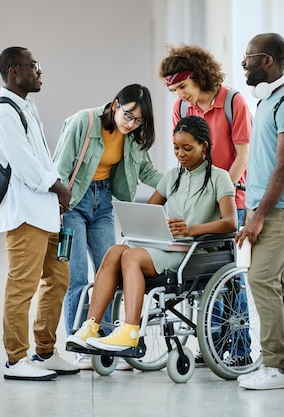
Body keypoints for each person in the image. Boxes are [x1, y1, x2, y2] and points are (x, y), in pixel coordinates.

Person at [66, 116, 237, 352]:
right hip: (167, 247)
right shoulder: (172, 177)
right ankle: (90, 326)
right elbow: (148, 211)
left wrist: (191, 230)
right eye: (176, 148)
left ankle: (130, 331)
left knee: (131, 257)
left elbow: (231, 222)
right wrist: (143, 224)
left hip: (194, 253)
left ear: (204, 147)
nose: (181, 154)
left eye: (188, 148)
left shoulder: (219, 177)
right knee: (115, 251)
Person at [52, 84, 163, 369]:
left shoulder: (132, 136)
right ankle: (79, 345)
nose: (131, 124)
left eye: (138, 120)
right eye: (128, 115)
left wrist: (180, 181)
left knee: (110, 272)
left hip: (103, 203)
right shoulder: (84, 122)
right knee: (76, 277)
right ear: (115, 105)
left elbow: (147, 172)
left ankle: (107, 341)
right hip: (74, 200)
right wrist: (58, 210)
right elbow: (60, 169)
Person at [0, 46, 79, 381]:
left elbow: (40, 157)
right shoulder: (4, 114)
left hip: (45, 212)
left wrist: (56, 195)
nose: (39, 72)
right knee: (21, 287)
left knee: (58, 279)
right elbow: (25, 165)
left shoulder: (25, 107)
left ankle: (44, 352)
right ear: (14, 71)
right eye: (33, 66)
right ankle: (15, 360)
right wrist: (58, 187)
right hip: (25, 215)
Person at [159, 44, 252, 365]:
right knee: (201, 279)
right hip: (195, 206)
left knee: (229, 277)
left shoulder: (232, 103)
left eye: (183, 86)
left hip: (231, 202)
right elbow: (184, 154)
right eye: (173, 89)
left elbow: (242, 156)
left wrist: (219, 191)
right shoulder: (182, 110)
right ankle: (211, 346)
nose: (179, 94)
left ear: (199, 75)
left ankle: (240, 350)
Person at [235, 33, 284, 390]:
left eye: (248, 57)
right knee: (273, 282)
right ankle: (277, 362)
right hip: (264, 208)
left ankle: (277, 367)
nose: (243, 63)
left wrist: (260, 214)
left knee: (261, 279)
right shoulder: (267, 101)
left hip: (283, 209)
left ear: (267, 60)